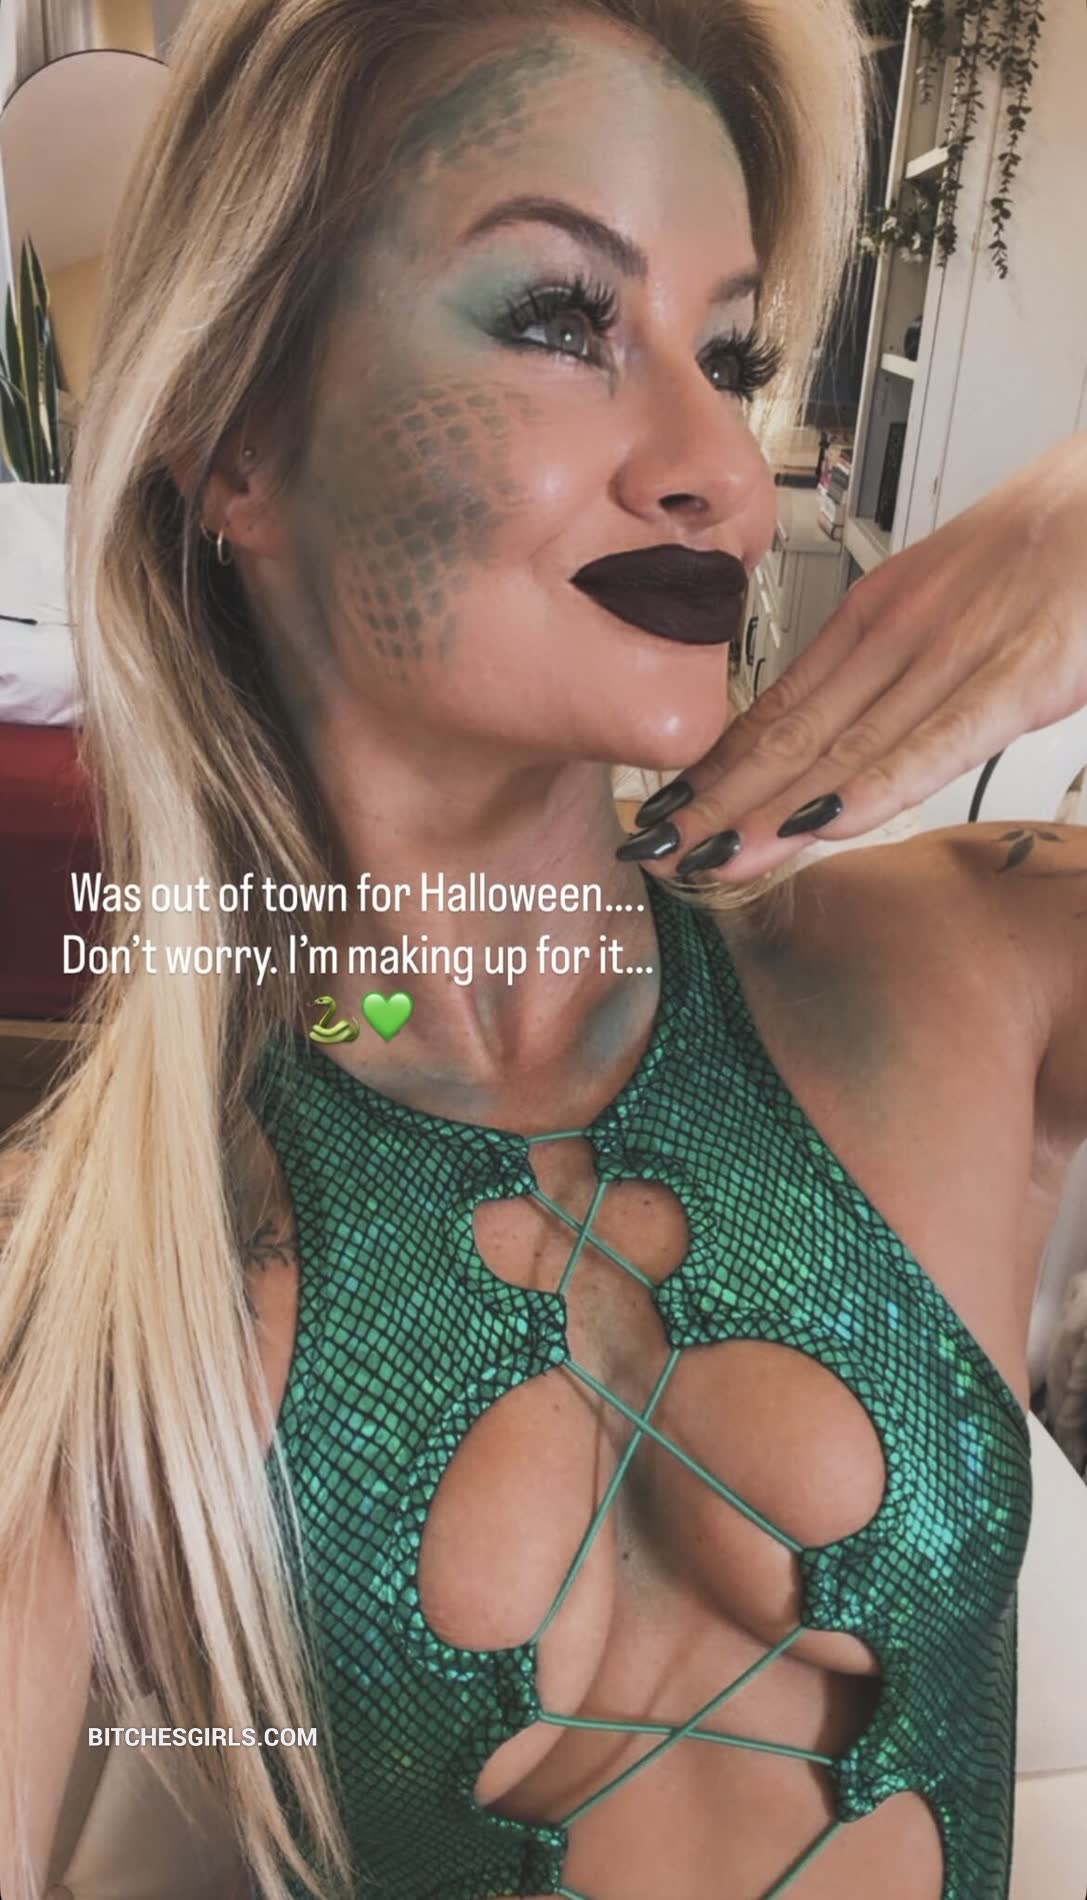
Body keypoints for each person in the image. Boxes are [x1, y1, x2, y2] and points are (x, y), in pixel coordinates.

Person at [1, 1, 1086, 1897]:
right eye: (563, 318)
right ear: (235, 440)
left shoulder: (965, 961)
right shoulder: (104, 1275)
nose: (719, 463)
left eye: (730, 356)